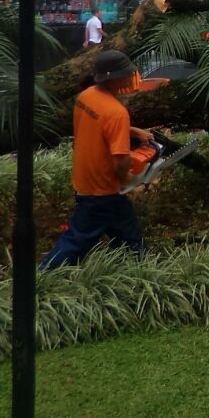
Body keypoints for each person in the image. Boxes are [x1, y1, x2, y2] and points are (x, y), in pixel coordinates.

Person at [39, 50, 150, 270]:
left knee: (126, 231)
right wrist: (128, 179)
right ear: (115, 77)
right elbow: (120, 160)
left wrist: (133, 131)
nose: (129, 77)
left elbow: (101, 125)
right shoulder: (117, 112)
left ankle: (136, 266)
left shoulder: (86, 97)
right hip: (102, 189)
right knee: (77, 239)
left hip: (85, 178)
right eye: (126, 73)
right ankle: (44, 273)